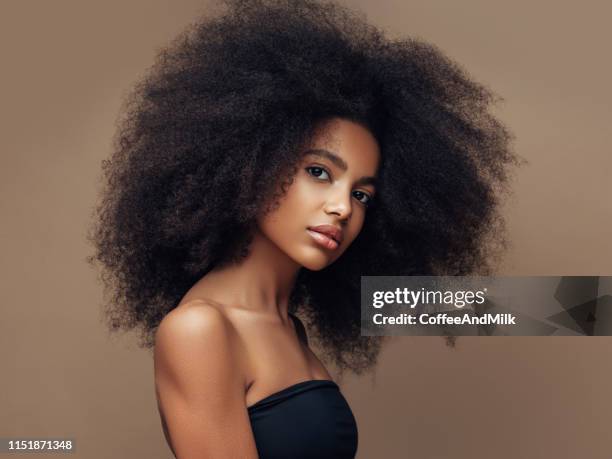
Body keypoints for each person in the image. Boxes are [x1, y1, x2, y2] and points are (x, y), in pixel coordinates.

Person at [88, 0, 520, 457]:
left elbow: (476, 308)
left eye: (362, 195)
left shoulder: (287, 326)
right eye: (319, 172)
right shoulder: (199, 330)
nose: (342, 209)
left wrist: (588, 308)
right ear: (253, 162)